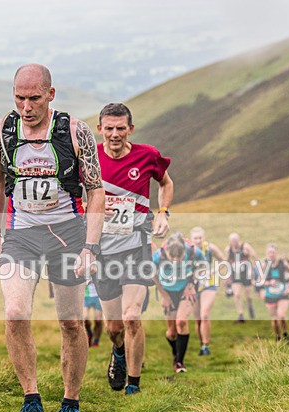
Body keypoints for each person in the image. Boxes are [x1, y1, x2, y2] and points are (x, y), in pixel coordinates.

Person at [0, 64, 104, 412]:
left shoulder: (75, 131)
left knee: (70, 322)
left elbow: (95, 190)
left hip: (67, 234)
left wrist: (90, 248)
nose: (26, 107)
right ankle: (31, 399)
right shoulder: (2, 131)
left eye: (34, 98)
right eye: (19, 98)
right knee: (15, 313)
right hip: (21, 234)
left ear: (51, 94)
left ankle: (70, 403)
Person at [93, 103, 172, 395]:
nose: (115, 134)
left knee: (131, 317)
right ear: (100, 129)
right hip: (102, 250)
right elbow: (73, 196)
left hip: (136, 246)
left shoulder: (147, 155)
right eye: (109, 128)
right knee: (114, 328)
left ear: (130, 129)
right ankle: (119, 352)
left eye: (120, 128)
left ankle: (134, 385)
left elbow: (166, 183)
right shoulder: (89, 158)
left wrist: (163, 212)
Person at [153, 233, 205, 374]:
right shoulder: (159, 255)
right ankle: (176, 352)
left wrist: (192, 283)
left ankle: (179, 362)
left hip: (186, 290)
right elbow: (152, 274)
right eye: (172, 258)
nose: (176, 261)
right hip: (168, 291)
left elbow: (203, 266)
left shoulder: (193, 251)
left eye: (180, 258)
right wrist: (164, 295)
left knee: (181, 322)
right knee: (171, 333)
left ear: (184, 252)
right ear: (167, 252)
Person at [190, 227, 225, 356]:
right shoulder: (188, 250)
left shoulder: (210, 248)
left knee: (204, 314)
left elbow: (223, 261)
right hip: (193, 286)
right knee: (197, 318)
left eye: (200, 238)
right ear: (192, 239)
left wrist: (213, 271)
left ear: (203, 238)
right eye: (195, 238)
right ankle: (201, 344)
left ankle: (206, 345)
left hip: (209, 284)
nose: (198, 240)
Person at [259, 244, 289, 342]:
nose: (271, 254)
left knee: (281, 315)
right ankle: (278, 336)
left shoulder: (282, 264)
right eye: (269, 252)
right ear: (266, 254)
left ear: (276, 253)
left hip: (282, 294)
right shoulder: (264, 265)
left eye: (273, 252)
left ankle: (285, 333)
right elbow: (259, 280)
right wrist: (268, 283)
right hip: (270, 295)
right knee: (274, 319)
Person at [224, 233, 258, 322]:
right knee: (237, 294)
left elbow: (255, 257)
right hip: (236, 275)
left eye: (235, 240)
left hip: (246, 274)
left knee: (248, 295)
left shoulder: (245, 247)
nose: (234, 243)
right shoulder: (228, 249)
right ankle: (241, 315)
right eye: (232, 241)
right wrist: (227, 277)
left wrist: (254, 271)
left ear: (238, 240)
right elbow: (227, 262)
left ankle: (250, 306)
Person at [83, 279, 103, 348]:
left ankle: (96, 340)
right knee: (85, 318)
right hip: (86, 295)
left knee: (98, 320)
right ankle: (89, 333)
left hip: (98, 296)